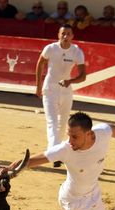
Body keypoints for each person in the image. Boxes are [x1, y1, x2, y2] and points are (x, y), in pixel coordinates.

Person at [35, 24, 86, 167]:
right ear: (58, 35)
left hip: (66, 91)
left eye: (68, 34)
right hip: (50, 89)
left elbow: (83, 76)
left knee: (63, 123)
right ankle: (55, 154)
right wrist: (38, 86)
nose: (65, 36)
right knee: (52, 122)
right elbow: (40, 64)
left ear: (72, 36)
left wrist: (70, 80)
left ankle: (55, 151)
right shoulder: (51, 48)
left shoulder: (76, 51)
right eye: (63, 34)